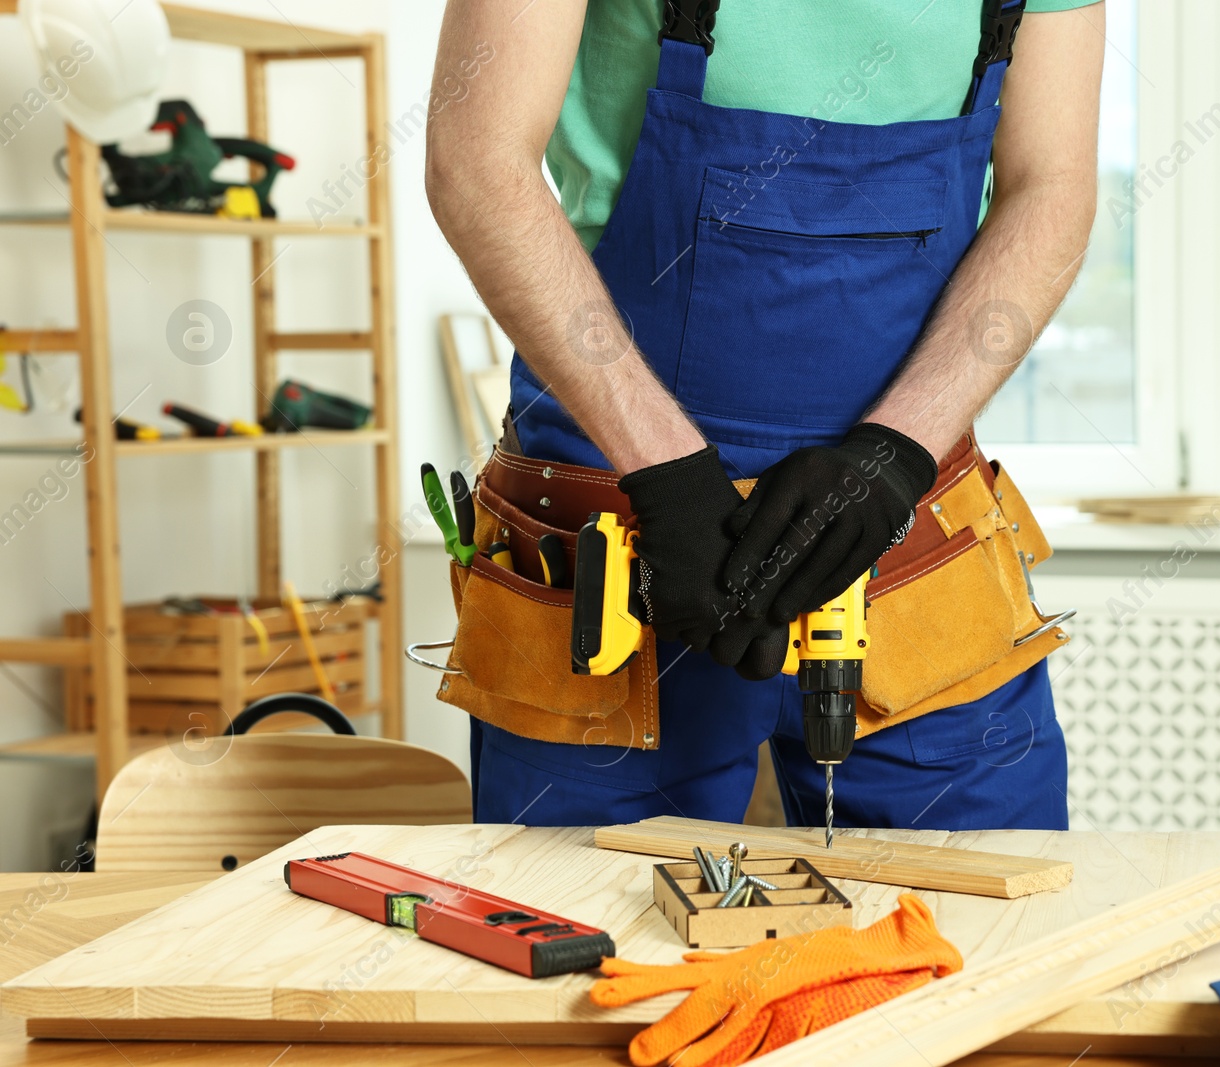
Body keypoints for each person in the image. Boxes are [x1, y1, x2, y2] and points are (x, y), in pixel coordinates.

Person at [426, 0, 1105, 832]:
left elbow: (1052, 187)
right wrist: (666, 472)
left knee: (996, 936)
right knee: (583, 932)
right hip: (620, 531)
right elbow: (476, 162)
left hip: (906, 531)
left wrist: (897, 451)